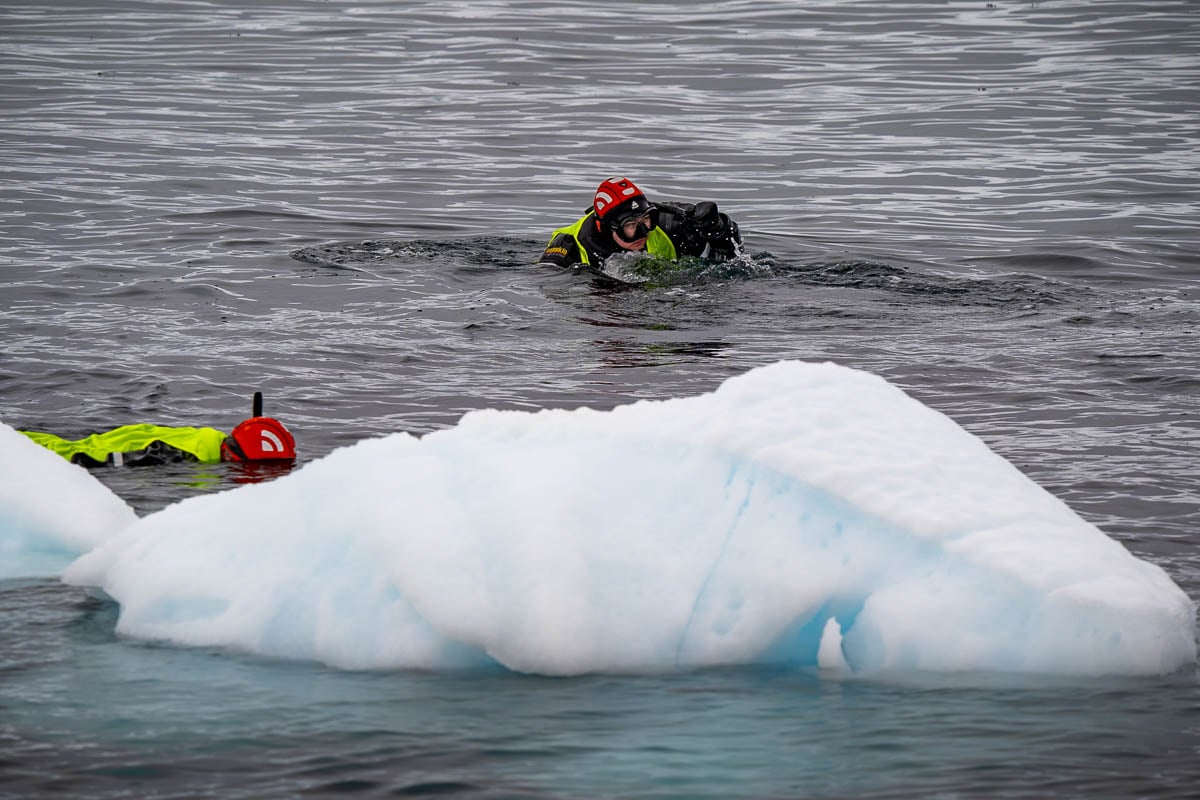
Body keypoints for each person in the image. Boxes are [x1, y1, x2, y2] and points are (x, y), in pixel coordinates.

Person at [19, 393, 297, 468]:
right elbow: (98, 462)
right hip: (129, 445)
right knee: (62, 451)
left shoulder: (214, 438)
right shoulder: (179, 456)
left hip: (139, 433)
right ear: (231, 454)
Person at [538, 177, 742, 269]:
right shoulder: (568, 248)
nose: (643, 232)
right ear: (606, 227)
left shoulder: (671, 223)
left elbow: (734, 257)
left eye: (646, 219)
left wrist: (719, 226)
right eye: (630, 225)